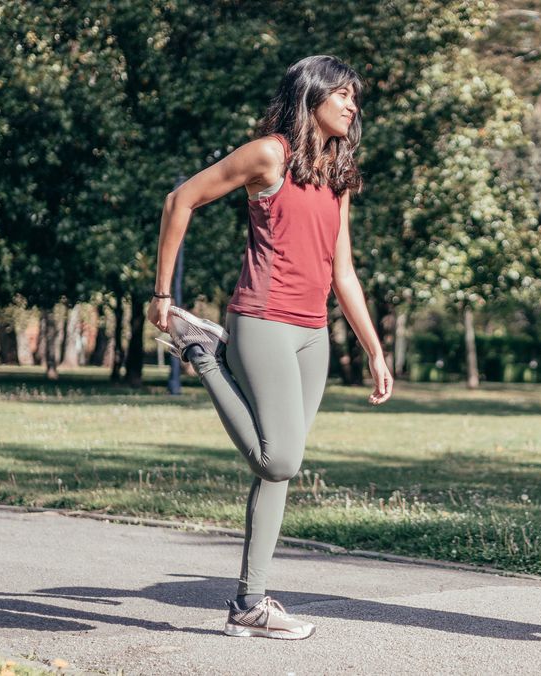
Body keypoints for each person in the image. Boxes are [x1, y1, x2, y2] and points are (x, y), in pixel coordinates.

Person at [149, 55, 393, 640]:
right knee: (279, 457)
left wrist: (375, 350)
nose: (352, 106)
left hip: (313, 334)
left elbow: (344, 273)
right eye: (342, 95)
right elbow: (179, 200)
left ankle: (249, 606)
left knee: (277, 473)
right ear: (312, 96)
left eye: (353, 97)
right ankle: (200, 351)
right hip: (261, 320)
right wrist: (162, 291)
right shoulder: (269, 154)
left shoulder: (336, 170)